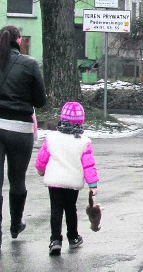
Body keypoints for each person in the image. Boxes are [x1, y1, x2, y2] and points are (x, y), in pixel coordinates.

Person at [0, 25, 47, 253]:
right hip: (20, 129)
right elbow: (40, 101)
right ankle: (15, 225)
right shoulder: (30, 64)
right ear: (19, 41)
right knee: (17, 179)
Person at [35, 101, 99, 256]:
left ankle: (55, 240)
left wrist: (41, 170)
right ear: (81, 121)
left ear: (62, 118)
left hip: (54, 180)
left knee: (55, 210)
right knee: (71, 209)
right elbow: (88, 165)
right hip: (72, 181)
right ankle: (73, 237)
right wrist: (92, 184)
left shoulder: (52, 138)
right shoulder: (84, 141)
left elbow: (42, 158)